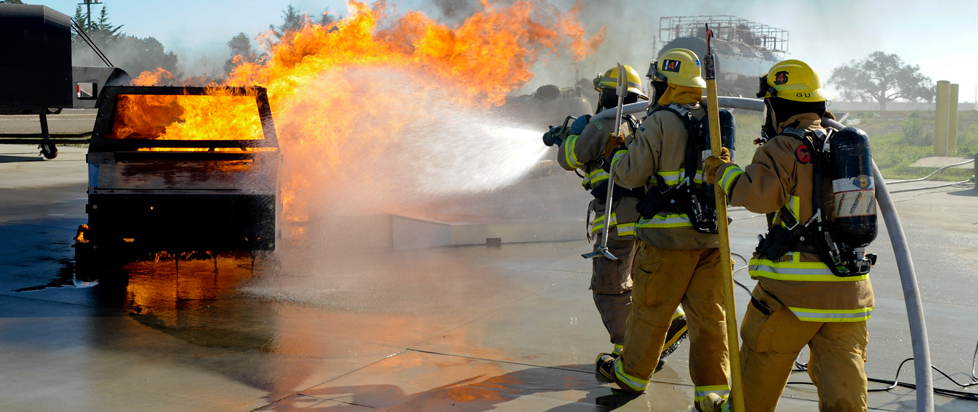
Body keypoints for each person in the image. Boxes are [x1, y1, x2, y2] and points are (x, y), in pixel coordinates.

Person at [704, 59, 876, 412]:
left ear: (777, 105)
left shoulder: (784, 145)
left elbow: (757, 195)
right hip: (849, 297)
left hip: (791, 295)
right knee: (844, 392)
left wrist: (723, 172)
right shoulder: (843, 144)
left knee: (758, 373)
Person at [596, 48, 731, 410]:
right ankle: (712, 393)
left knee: (650, 311)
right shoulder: (715, 120)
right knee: (709, 318)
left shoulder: (660, 122)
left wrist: (616, 154)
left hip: (667, 239)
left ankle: (632, 375)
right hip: (712, 240)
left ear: (667, 85)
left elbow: (630, 173)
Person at [555, 64, 688, 362]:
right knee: (639, 282)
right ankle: (673, 321)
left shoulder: (603, 123)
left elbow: (570, 157)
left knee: (609, 288)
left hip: (616, 220)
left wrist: (569, 137)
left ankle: (627, 352)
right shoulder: (639, 124)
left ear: (607, 95)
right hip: (642, 219)